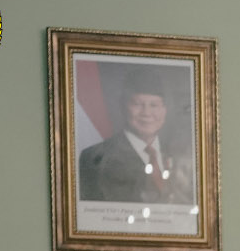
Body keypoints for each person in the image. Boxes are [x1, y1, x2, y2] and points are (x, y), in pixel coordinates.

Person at [77, 68, 194, 204]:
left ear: (165, 110)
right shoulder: (96, 158)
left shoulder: (181, 155)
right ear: (123, 106)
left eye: (154, 105)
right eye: (137, 104)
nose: (146, 113)